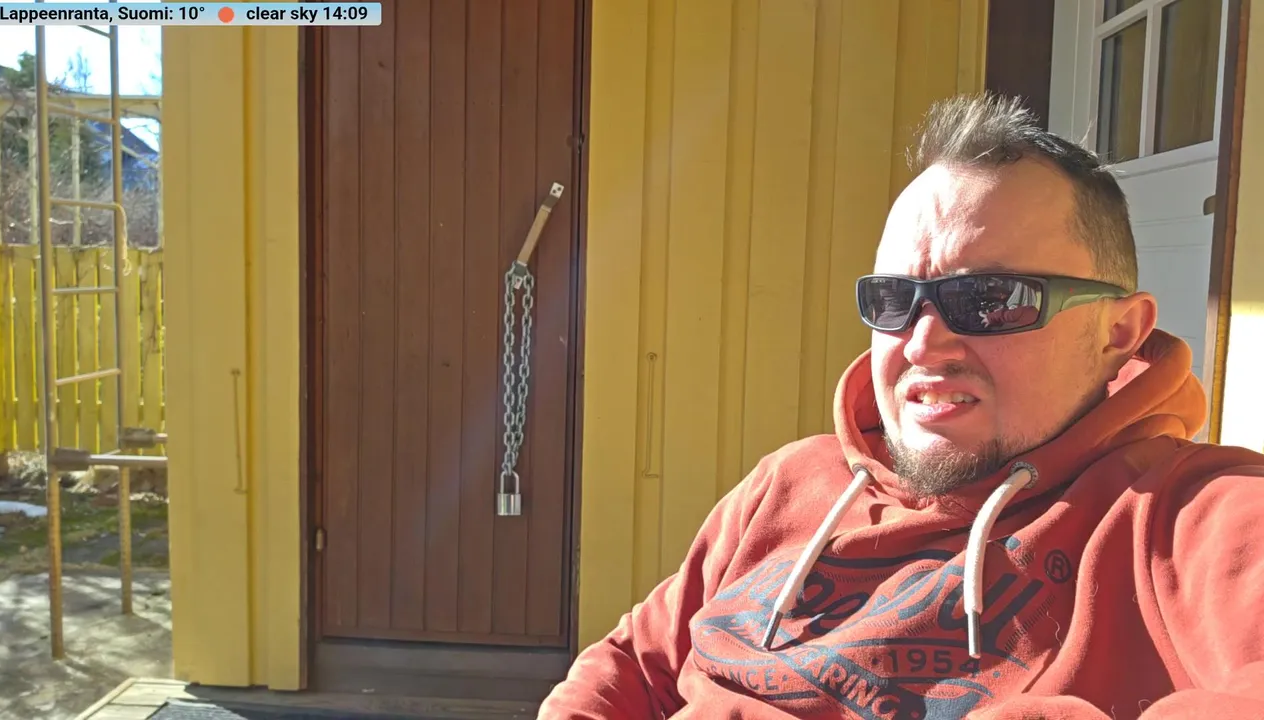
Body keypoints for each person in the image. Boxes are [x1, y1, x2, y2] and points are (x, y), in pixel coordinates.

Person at [539, 93, 1264, 719]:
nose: (923, 343)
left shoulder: (1191, 518)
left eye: (990, 298)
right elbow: (634, 663)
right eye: (894, 299)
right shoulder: (787, 485)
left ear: (1119, 331)